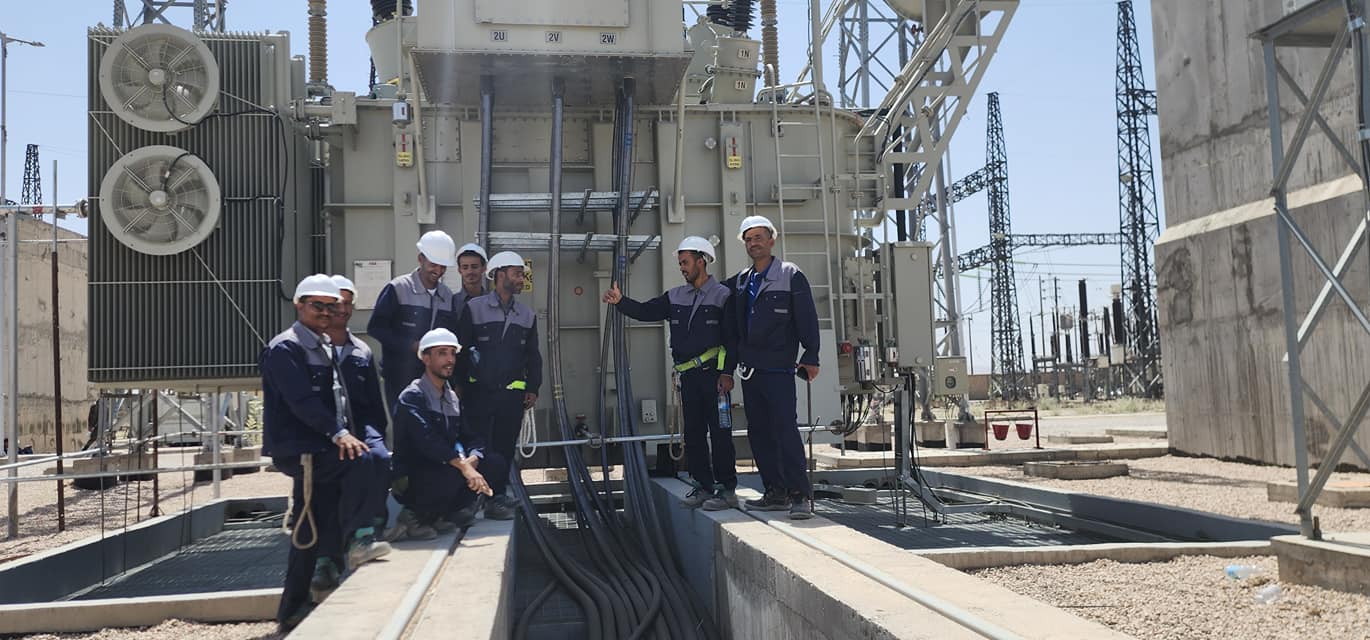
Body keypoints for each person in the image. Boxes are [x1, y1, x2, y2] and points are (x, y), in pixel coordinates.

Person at [260, 274, 392, 630]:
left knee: (310, 529)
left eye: (330, 306)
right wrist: (339, 434)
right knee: (362, 460)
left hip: (321, 447)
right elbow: (301, 402)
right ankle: (359, 539)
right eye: (317, 305)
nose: (325, 312)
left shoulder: (323, 347)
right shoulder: (286, 348)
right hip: (304, 449)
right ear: (299, 305)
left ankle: (292, 610)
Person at [603, 236, 738, 510]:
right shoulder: (675, 296)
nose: (682, 268)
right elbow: (645, 311)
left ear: (702, 261)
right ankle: (703, 486)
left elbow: (732, 340)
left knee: (721, 433)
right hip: (688, 379)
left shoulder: (724, 296)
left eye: (685, 262)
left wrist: (726, 373)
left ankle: (726, 490)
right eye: (680, 264)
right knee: (694, 434)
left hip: (715, 379)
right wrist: (620, 302)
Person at [724, 216, 821, 520]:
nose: (754, 243)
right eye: (749, 239)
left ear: (771, 240)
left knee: (785, 431)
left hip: (779, 369)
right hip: (750, 370)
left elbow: (807, 318)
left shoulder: (790, 275)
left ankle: (799, 495)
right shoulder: (741, 280)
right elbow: (717, 299)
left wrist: (812, 354)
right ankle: (775, 492)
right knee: (759, 433)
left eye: (759, 237)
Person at [388, 328, 499, 540]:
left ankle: (446, 513)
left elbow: (470, 436)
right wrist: (463, 466)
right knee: (449, 474)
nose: (449, 360)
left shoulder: (451, 397)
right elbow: (427, 441)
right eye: (442, 353)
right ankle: (413, 517)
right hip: (414, 474)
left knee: (494, 463)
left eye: (452, 353)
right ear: (426, 358)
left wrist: (475, 457)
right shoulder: (413, 395)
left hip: (445, 465)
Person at [455, 251, 541, 521]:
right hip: (478, 393)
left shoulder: (526, 315)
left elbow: (533, 355)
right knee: (477, 447)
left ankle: (497, 498)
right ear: (500, 274)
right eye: (517, 273)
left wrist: (533, 387)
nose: (521, 279)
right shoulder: (474, 308)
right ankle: (471, 498)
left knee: (504, 448)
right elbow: (460, 349)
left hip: (510, 397)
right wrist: (457, 385)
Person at [367, 230, 462, 409]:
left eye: (443, 267)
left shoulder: (447, 295)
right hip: (400, 376)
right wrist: (410, 345)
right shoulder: (398, 288)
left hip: (434, 378)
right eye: (434, 265)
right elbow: (376, 328)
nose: (438, 271)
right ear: (421, 259)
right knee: (405, 429)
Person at [453, 243, 489, 311]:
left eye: (474, 267)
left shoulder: (493, 302)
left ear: (484, 268)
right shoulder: (452, 303)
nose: (470, 271)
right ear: (459, 270)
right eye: (465, 267)